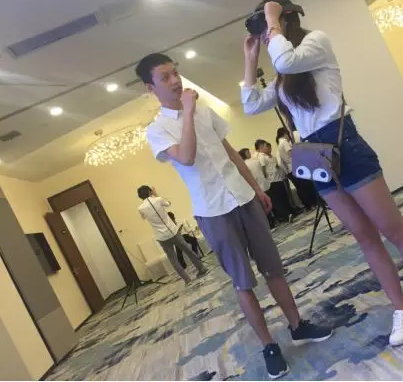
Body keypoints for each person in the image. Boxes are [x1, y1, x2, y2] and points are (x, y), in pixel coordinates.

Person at [241, 0, 403, 347]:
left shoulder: (315, 43)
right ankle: (402, 309)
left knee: (394, 230)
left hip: (344, 143)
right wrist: (250, 59)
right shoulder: (281, 78)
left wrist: (272, 19)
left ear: (285, 17)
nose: (267, 33)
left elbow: (287, 59)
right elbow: (250, 105)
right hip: (316, 156)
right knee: (365, 238)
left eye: (270, 23)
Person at [135, 53, 332, 379]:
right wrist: (187, 112)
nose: (175, 81)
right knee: (243, 282)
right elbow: (186, 157)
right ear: (150, 87)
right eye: (165, 77)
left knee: (274, 269)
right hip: (212, 210)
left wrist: (255, 188)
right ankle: (269, 345)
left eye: (175, 73)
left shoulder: (204, 111)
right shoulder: (157, 130)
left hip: (243, 198)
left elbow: (229, 153)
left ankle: (297, 326)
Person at [137, 185, 207, 285]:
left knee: (173, 260)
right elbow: (168, 203)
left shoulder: (140, 208)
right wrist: (156, 195)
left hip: (161, 237)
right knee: (188, 250)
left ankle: (187, 280)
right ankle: (201, 268)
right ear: (150, 192)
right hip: (173, 231)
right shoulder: (158, 199)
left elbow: (144, 217)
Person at [276, 127, 317, 210]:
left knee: (300, 187)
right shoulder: (284, 142)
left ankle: (308, 205)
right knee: (306, 185)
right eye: (288, 134)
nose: (289, 137)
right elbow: (291, 152)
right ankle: (313, 202)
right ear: (285, 134)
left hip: (290, 169)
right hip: (295, 166)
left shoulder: (279, 144)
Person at [255, 139, 296, 223]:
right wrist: (266, 178)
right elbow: (263, 170)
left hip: (278, 179)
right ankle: (286, 215)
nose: (267, 147)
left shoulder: (269, 156)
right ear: (261, 147)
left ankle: (289, 213)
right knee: (277, 200)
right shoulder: (262, 157)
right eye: (265, 146)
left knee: (283, 197)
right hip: (272, 181)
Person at [239, 148, 276, 229]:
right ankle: (275, 219)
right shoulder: (253, 162)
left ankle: (270, 223)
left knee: (263, 206)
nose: (249, 153)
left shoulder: (247, 164)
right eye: (248, 152)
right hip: (262, 184)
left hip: (257, 186)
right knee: (268, 202)